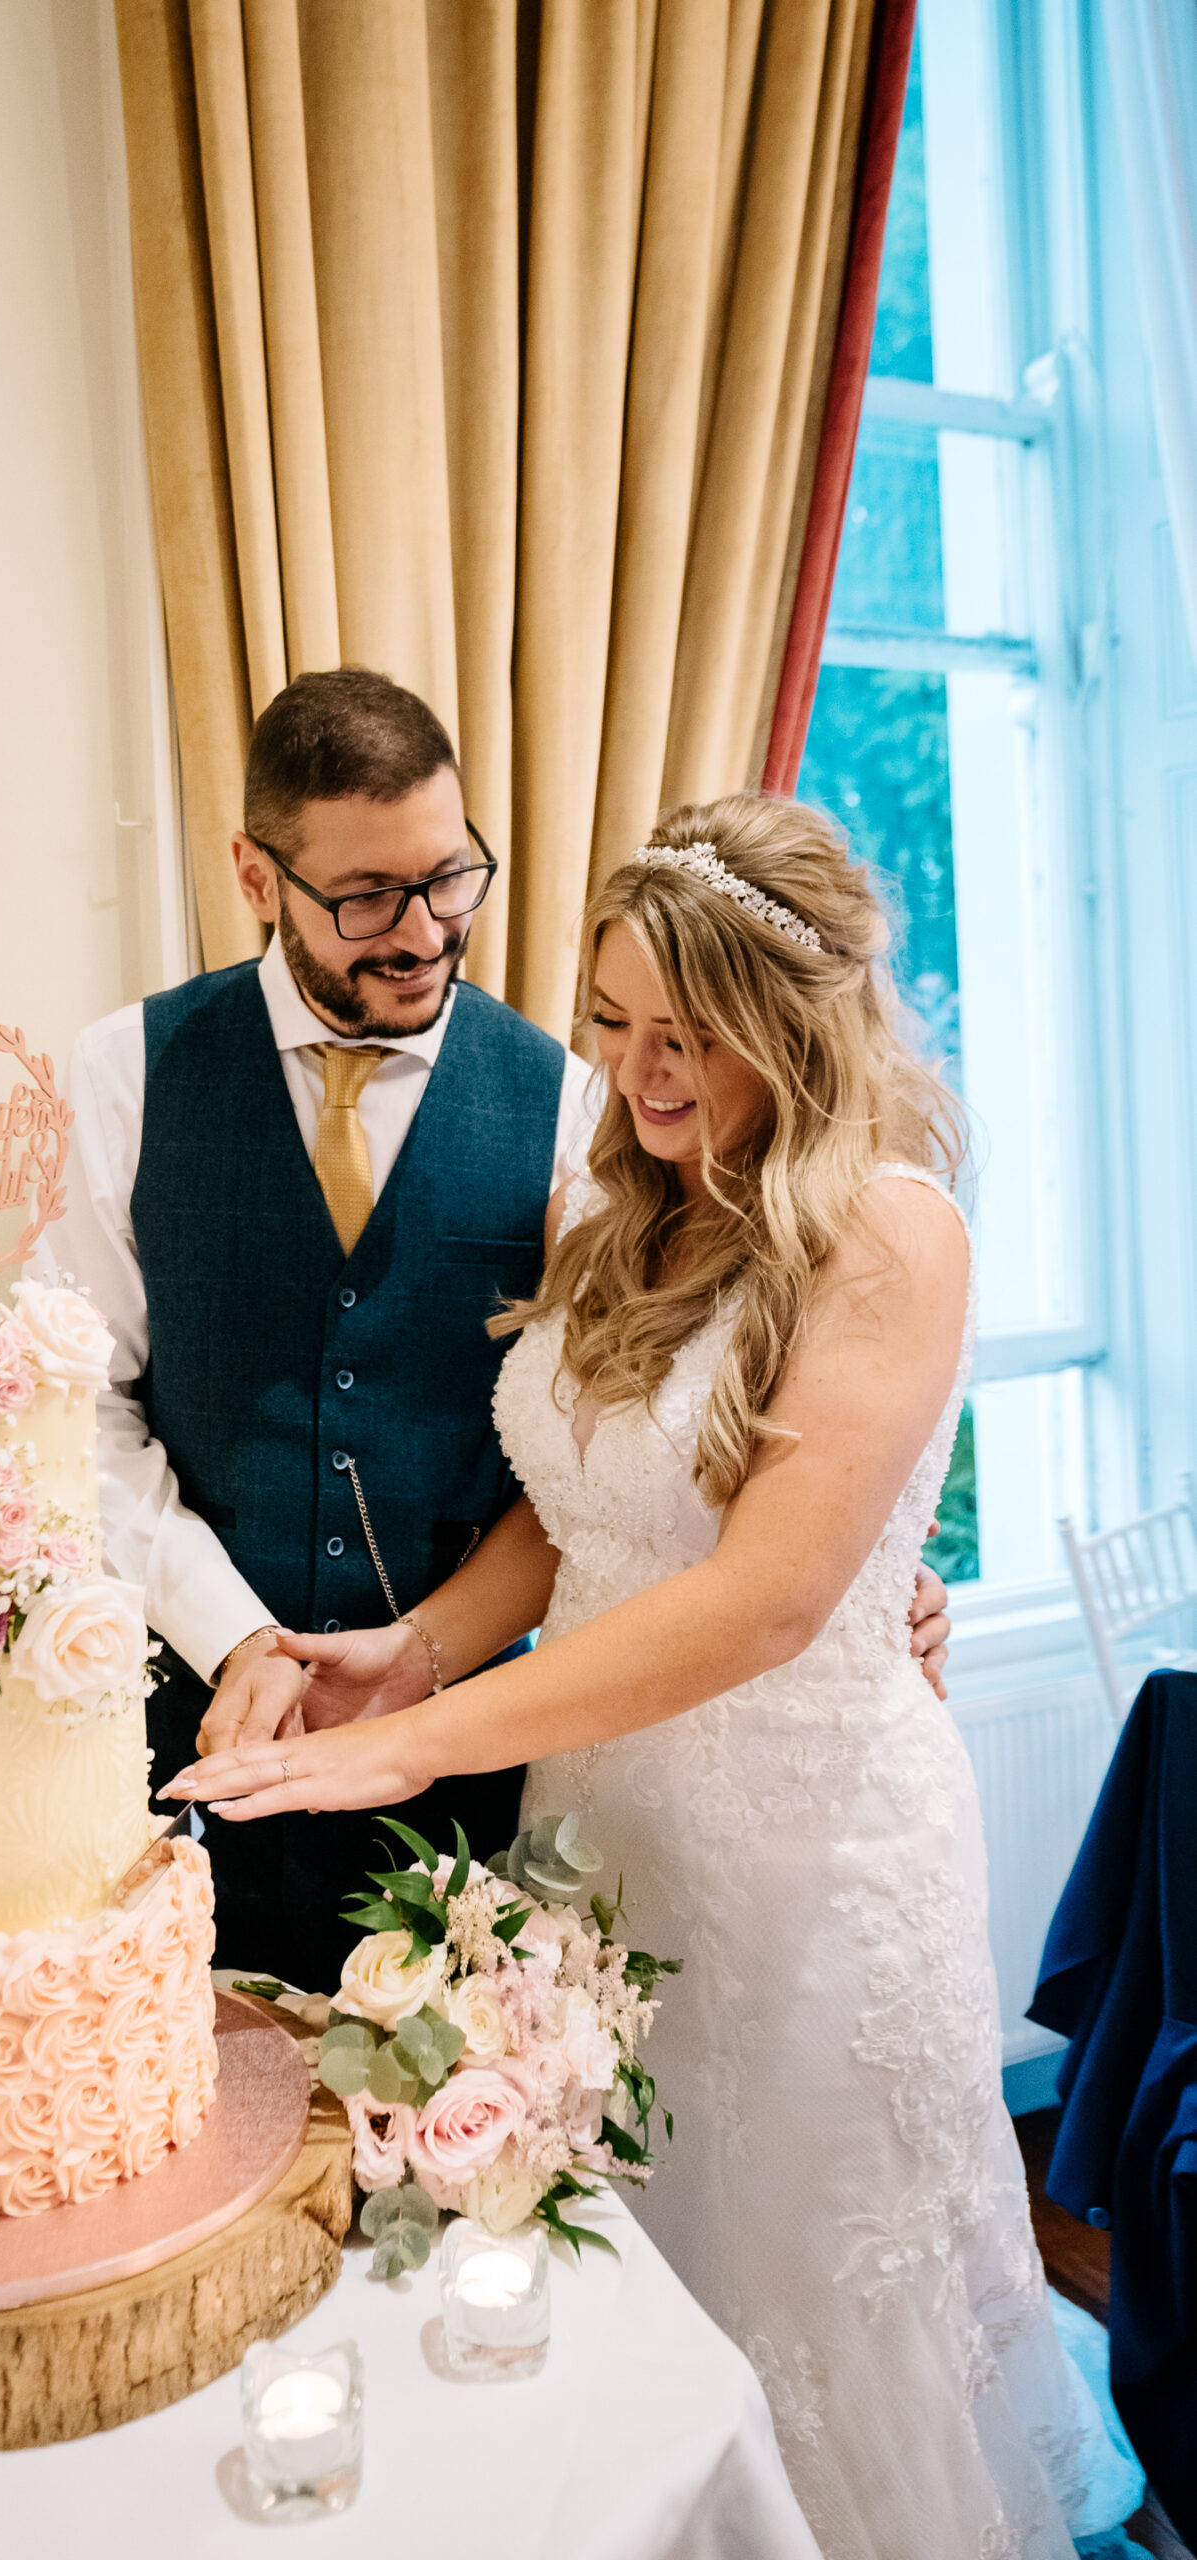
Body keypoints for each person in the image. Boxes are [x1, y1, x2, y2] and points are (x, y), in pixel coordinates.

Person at [167, 794, 1088, 2558]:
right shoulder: (633, 1197)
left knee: (815, 2309)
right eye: (612, 1024)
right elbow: (578, 1515)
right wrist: (416, 1647)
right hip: (607, 1840)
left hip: (812, 1864)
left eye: (687, 1035)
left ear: (792, 1017)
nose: (638, 1076)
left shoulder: (890, 1234)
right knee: (632, 2294)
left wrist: (424, 1741)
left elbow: (756, 1602)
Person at [43, 664, 951, 1993]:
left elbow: (756, 1517)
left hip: (497, 1796)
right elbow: (82, 1413)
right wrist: (252, 1635)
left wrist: (872, 1575)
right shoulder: (124, 1075)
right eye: (364, 897)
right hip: (190, 1751)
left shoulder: (583, 1108)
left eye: (449, 879)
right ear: (255, 875)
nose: (419, 932)